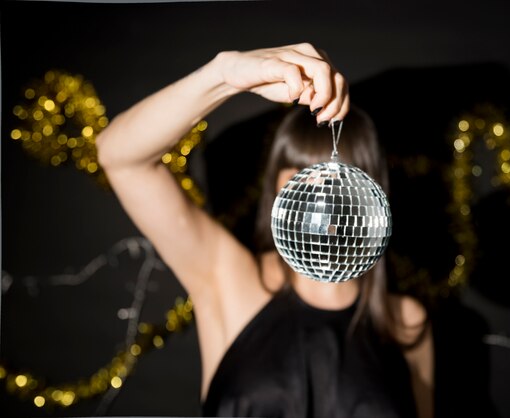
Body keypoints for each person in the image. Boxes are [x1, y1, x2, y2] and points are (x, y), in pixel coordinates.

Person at [96, 43, 433, 418]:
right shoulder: (228, 277)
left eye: (336, 177)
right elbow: (120, 158)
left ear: (370, 194)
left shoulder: (406, 320)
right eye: (303, 174)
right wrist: (222, 75)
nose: (321, 195)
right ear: (277, 186)